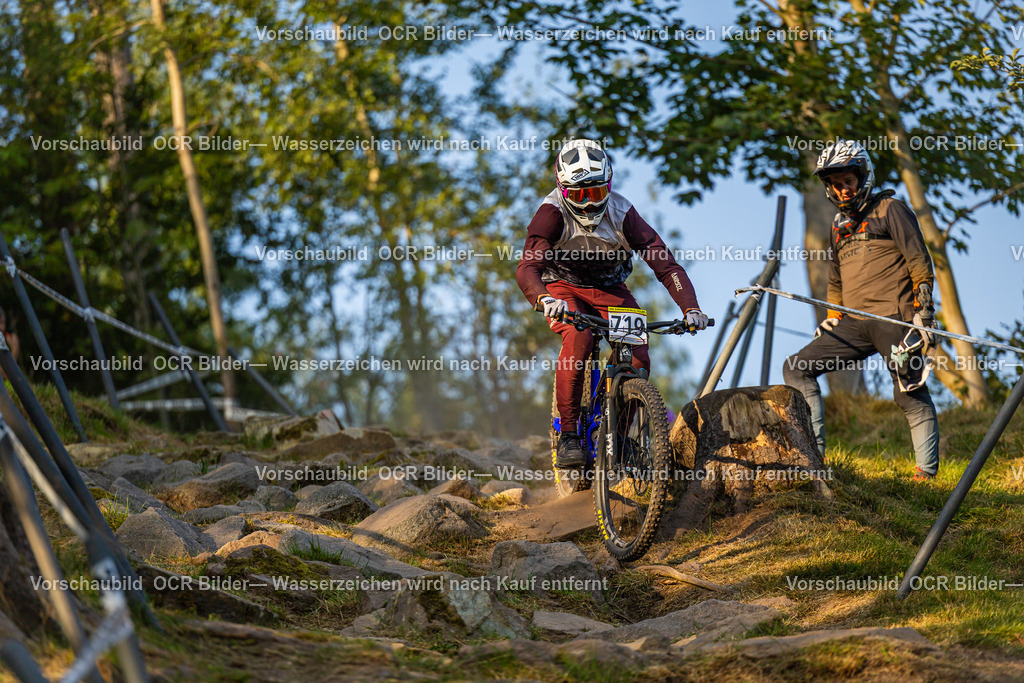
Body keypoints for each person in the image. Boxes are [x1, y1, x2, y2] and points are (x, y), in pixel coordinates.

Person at [516, 139, 708, 468]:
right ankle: (570, 436)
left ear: (609, 184)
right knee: (580, 337)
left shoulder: (623, 212)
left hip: (609, 288)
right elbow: (527, 267)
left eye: (596, 192)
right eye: (579, 195)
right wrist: (544, 298)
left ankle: (618, 437)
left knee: (638, 355)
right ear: (562, 191)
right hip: (562, 287)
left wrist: (690, 308)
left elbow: (666, 266)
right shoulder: (551, 213)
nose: (589, 205)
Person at [782, 139, 939, 481]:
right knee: (796, 368)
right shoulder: (838, 227)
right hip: (851, 324)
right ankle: (814, 460)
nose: (842, 190)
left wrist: (923, 305)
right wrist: (833, 316)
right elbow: (835, 279)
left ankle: (925, 475)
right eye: (835, 184)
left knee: (909, 392)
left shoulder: (890, 209)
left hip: (893, 320)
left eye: (847, 182)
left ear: (862, 177)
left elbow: (917, 258)